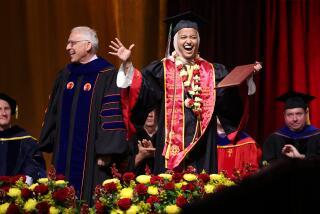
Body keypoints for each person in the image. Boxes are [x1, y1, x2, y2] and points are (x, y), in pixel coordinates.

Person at [109, 12, 262, 174]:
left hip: (203, 144)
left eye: (193, 37)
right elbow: (142, 91)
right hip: (170, 141)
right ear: (175, 41)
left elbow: (229, 102)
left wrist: (246, 80)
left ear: (198, 41)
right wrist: (127, 65)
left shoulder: (213, 71)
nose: (188, 41)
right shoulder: (162, 70)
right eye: (183, 37)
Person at [39, 26, 129, 203]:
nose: (67, 47)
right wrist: (52, 139)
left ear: (88, 45)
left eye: (72, 43)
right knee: (60, 198)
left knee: (89, 199)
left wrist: (106, 150)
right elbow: (54, 111)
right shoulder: (66, 74)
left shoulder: (106, 74)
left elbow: (112, 113)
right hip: (63, 152)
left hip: (92, 156)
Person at [262, 90, 320, 165]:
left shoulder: (317, 137)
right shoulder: (274, 139)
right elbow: (265, 167)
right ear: (284, 115)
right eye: (290, 115)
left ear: (306, 114)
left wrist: (301, 157)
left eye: (299, 114)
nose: (295, 119)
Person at [0, 93, 46, 184]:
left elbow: (35, 170)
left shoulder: (26, 141)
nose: (4, 113)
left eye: (7, 109)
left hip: (17, 193)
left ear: (12, 112)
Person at [128, 109, 157, 175]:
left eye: (153, 111)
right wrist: (140, 156)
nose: (150, 115)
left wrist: (155, 154)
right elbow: (123, 168)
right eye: (147, 110)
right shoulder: (132, 135)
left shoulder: (166, 136)